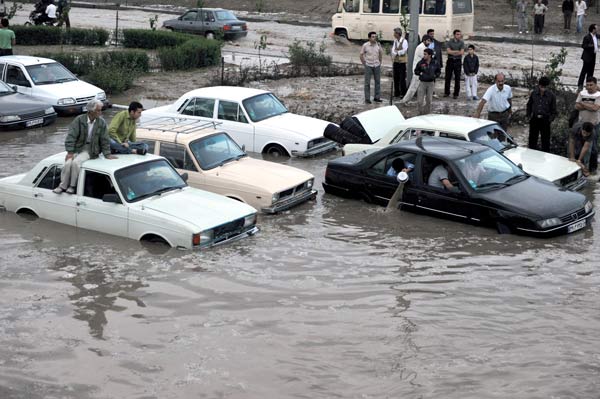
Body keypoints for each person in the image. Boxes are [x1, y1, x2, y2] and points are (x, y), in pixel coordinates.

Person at [53, 99, 117, 194]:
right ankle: (62, 186)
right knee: (67, 163)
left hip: (91, 149)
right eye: (98, 110)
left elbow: (105, 140)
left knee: (76, 163)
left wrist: (107, 154)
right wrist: (70, 152)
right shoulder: (79, 120)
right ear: (91, 111)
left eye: (100, 110)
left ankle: (72, 186)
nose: (100, 112)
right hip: (77, 147)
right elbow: (71, 136)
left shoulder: (101, 123)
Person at [575, 76, 600, 172]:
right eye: (587, 85)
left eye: (591, 85)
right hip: (582, 124)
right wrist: (590, 105)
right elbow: (576, 106)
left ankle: (592, 168)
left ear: (595, 85)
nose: (589, 87)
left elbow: (595, 108)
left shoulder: (598, 95)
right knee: (580, 145)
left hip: (594, 124)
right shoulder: (582, 93)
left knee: (592, 147)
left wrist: (583, 103)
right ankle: (580, 166)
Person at [526, 77, 557, 152]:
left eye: (545, 87)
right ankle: (530, 155)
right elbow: (529, 105)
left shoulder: (551, 96)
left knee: (545, 141)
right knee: (532, 139)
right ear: (539, 85)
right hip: (535, 119)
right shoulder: (534, 93)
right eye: (541, 87)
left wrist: (550, 120)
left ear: (547, 86)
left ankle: (544, 157)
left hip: (545, 120)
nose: (543, 89)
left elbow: (554, 110)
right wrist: (528, 115)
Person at [400, 34, 432, 104]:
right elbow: (426, 58)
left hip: (422, 70)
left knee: (422, 86)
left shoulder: (423, 47)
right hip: (418, 70)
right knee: (413, 87)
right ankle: (405, 100)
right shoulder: (421, 48)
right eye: (428, 41)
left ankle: (422, 102)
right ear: (424, 40)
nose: (429, 43)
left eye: (430, 41)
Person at [415, 48, 440, 115]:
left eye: (425, 54)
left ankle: (427, 114)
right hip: (422, 83)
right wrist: (420, 73)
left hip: (431, 83)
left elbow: (438, 71)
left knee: (429, 100)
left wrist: (435, 76)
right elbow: (416, 71)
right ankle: (420, 113)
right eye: (424, 54)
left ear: (430, 55)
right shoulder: (421, 62)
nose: (424, 55)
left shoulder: (435, 62)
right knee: (420, 100)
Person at [360, 31, 383, 104]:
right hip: (368, 65)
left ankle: (377, 97)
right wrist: (364, 63)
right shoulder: (365, 45)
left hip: (376, 65)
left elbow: (381, 54)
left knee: (378, 82)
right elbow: (361, 55)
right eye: (373, 37)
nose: (374, 38)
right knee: (367, 83)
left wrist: (380, 62)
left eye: (375, 36)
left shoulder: (378, 45)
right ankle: (367, 98)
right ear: (369, 38)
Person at [444, 29, 465, 99]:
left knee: (457, 78)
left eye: (459, 34)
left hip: (458, 61)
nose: (459, 35)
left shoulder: (461, 43)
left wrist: (453, 52)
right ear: (454, 35)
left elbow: (461, 52)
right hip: (450, 60)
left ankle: (456, 94)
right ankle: (446, 92)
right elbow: (448, 52)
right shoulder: (450, 42)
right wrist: (456, 52)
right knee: (448, 77)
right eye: (457, 34)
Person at [577, 24, 597, 91]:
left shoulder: (596, 36)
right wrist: (590, 45)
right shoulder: (587, 37)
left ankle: (589, 85)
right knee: (584, 71)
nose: (598, 29)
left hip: (593, 56)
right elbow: (583, 46)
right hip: (587, 57)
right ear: (593, 29)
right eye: (596, 28)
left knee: (591, 72)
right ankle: (580, 85)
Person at [391, 27, 408, 97]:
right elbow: (392, 50)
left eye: (395, 33)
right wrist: (395, 52)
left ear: (398, 34)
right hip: (396, 62)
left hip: (402, 62)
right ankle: (397, 93)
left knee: (402, 78)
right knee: (396, 78)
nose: (394, 34)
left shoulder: (404, 41)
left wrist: (397, 52)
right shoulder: (395, 41)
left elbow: (404, 50)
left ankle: (403, 93)